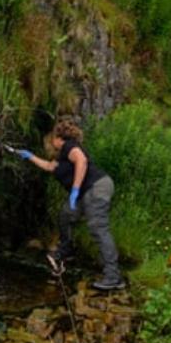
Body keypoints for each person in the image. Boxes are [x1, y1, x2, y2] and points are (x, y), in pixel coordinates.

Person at [17, 120, 125, 290]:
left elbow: (81, 161)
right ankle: (65, 251)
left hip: (97, 187)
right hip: (86, 192)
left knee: (97, 227)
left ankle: (113, 276)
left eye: (51, 138)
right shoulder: (61, 157)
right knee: (66, 215)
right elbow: (48, 166)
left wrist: (74, 190)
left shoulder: (70, 146)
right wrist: (29, 156)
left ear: (58, 137)